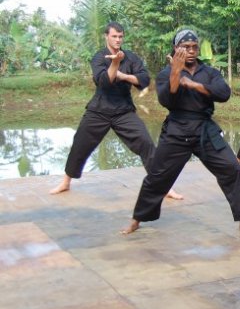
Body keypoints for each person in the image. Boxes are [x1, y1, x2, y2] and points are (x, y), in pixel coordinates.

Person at [121, 30, 240, 235]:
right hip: (176, 130)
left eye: (194, 47)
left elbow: (224, 94)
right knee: (157, 175)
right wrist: (175, 72)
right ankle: (137, 220)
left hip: (205, 130)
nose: (190, 51)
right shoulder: (165, 73)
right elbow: (166, 101)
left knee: (231, 168)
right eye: (185, 47)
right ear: (176, 49)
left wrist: (194, 84)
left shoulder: (209, 73)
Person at [50, 21, 181, 200]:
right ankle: (66, 182)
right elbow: (103, 81)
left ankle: (164, 186)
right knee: (80, 143)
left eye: (120, 36)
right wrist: (115, 64)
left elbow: (144, 80)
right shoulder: (98, 57)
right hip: (99, 109)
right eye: (114, 36)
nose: (118, 39)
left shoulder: (131, 58)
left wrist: (124, 75)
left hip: (123, 111)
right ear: (107, 36)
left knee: (146, 143)